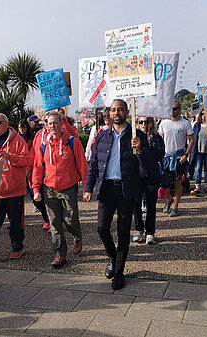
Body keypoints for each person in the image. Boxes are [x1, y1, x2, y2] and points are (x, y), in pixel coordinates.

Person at [84, 99, 150, 290]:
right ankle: (113, 258)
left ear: (127, 112)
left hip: (126, 189)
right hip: (106, 188)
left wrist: (140, 150)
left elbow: (148, 166)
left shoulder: (137, 136)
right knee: (102, 229)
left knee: (123, 232)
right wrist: (88, 188)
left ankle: (119, 272)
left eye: (120, 110)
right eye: (113, 110)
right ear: (109, 113)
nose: (116, 113)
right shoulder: (102, 136)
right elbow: (94, 164)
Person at [32, 111, 88, 268]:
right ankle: (60, 254)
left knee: (70, 220)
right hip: (49, 188)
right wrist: (36, 189)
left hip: (68, 187)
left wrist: (86, 188)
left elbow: (83, 165)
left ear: (62, 123)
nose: (52, 126)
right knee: (54, 222)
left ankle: (76, 236)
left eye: (55, 123)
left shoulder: (72, 142)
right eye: (49, 123)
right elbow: (37, 167)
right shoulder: (44, 144)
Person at [0, 113, 31, 259]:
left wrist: (9, 156)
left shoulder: (18, 140)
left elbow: (27, 161)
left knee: (16, 224)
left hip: (15, 191)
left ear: (6, 124)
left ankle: (17, 247)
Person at [132, 116, 164, 244]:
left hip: (152, 174)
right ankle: (138, 229)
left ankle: (150, 231)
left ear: (152, 123)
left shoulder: (157, 138)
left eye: (147, 121)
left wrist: (143, 149)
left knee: (151, 205)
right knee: (136, 204)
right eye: (141, 122)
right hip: (137, 175)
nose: (144, 124)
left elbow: (159, 155)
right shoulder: (135, 138)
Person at [159, 102, 194, 217]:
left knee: (178, 183)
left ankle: (175, 207)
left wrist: (186, 154)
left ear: (179, 109)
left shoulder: (185, 123)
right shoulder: (164, 123)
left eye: (174, 109)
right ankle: (169, 200)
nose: (172, 111)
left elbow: (192, 140)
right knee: (165, 183)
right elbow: (160, 139)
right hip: (166, 157)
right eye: (170, 109)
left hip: (179, 158)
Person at [18, 119, 50, 231]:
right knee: (34, 195)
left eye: (23, 127)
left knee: (50, 198)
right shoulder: (38, 136)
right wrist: (29, 168)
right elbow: (33, 154)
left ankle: (53, 222)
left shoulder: (34, 137)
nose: (21, 129)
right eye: (20, 127)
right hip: (34, 170)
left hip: (49, 172)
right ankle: (47, 218)